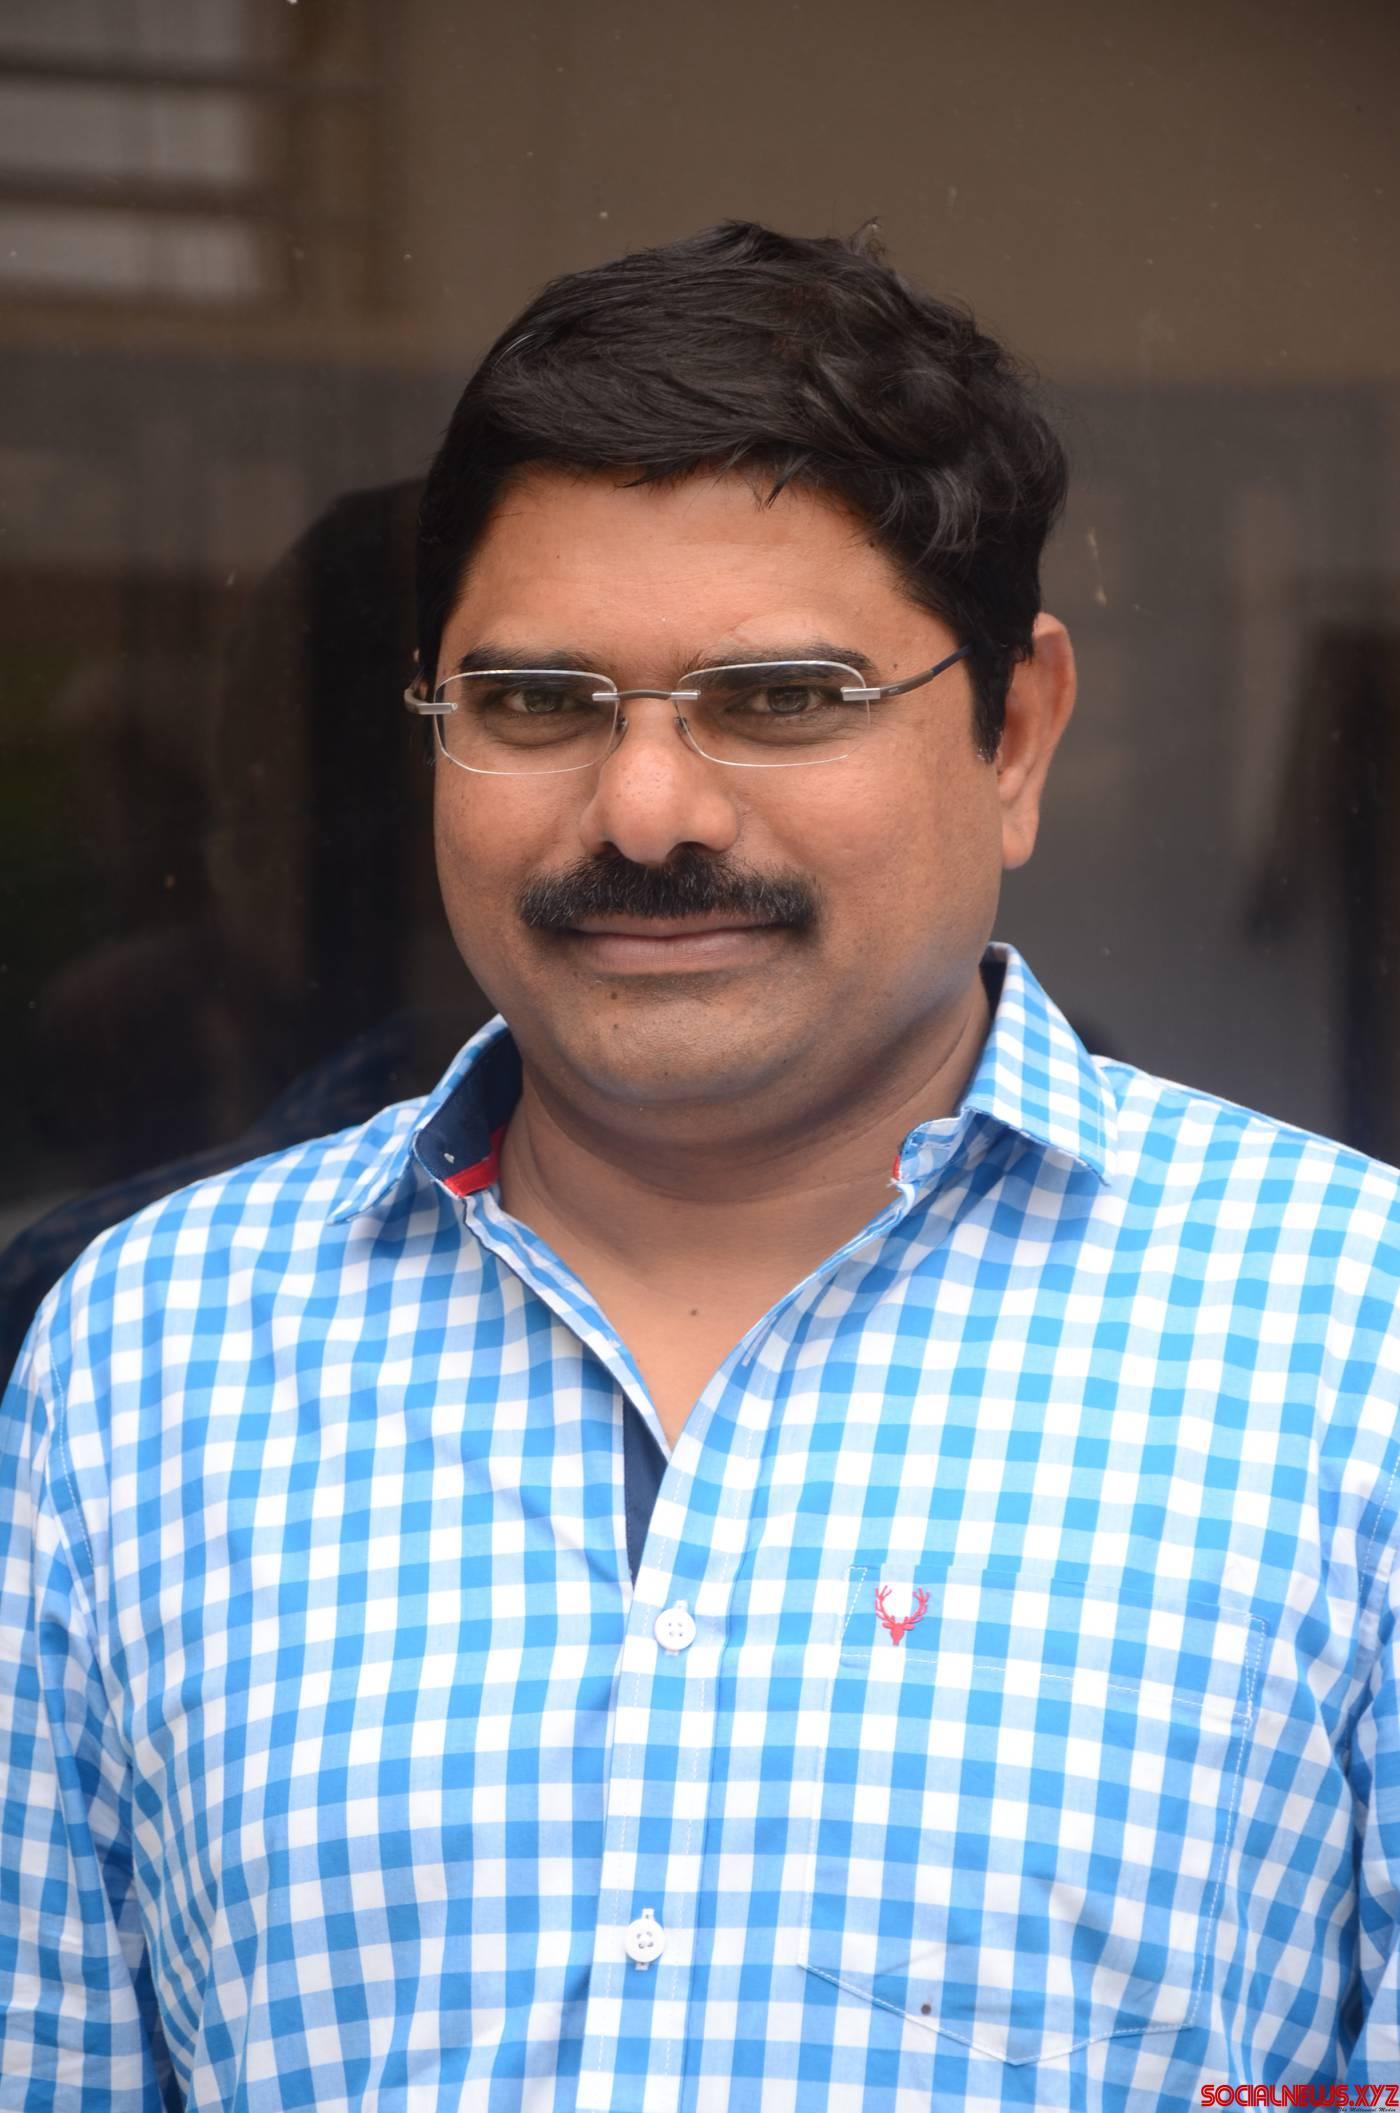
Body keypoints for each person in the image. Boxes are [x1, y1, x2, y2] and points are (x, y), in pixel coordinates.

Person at [1, 220, 1397, 2112]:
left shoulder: (1351, 1351)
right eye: (535, 702)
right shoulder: (149, 1362)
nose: (647, 808)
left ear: (1014, 733)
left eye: (782, 697)